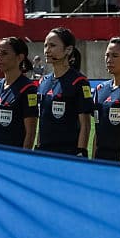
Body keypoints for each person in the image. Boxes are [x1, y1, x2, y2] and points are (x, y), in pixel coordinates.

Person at [37, 28, 92, 156]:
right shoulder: (43, 81)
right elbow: (42, 121)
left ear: (68, 49)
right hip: (44, 152)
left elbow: (86, 124)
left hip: (68, 154)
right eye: (45, 45)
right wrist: (38, 146)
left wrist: (81, 152)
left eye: (52, 45)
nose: (47, 50)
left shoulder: (79, 81)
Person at [0, 36, 38, 149]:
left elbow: (30, 133)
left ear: (20, 57)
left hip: (13, 158)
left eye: (4, 53)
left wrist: (23, 159)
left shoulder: (28, 89)